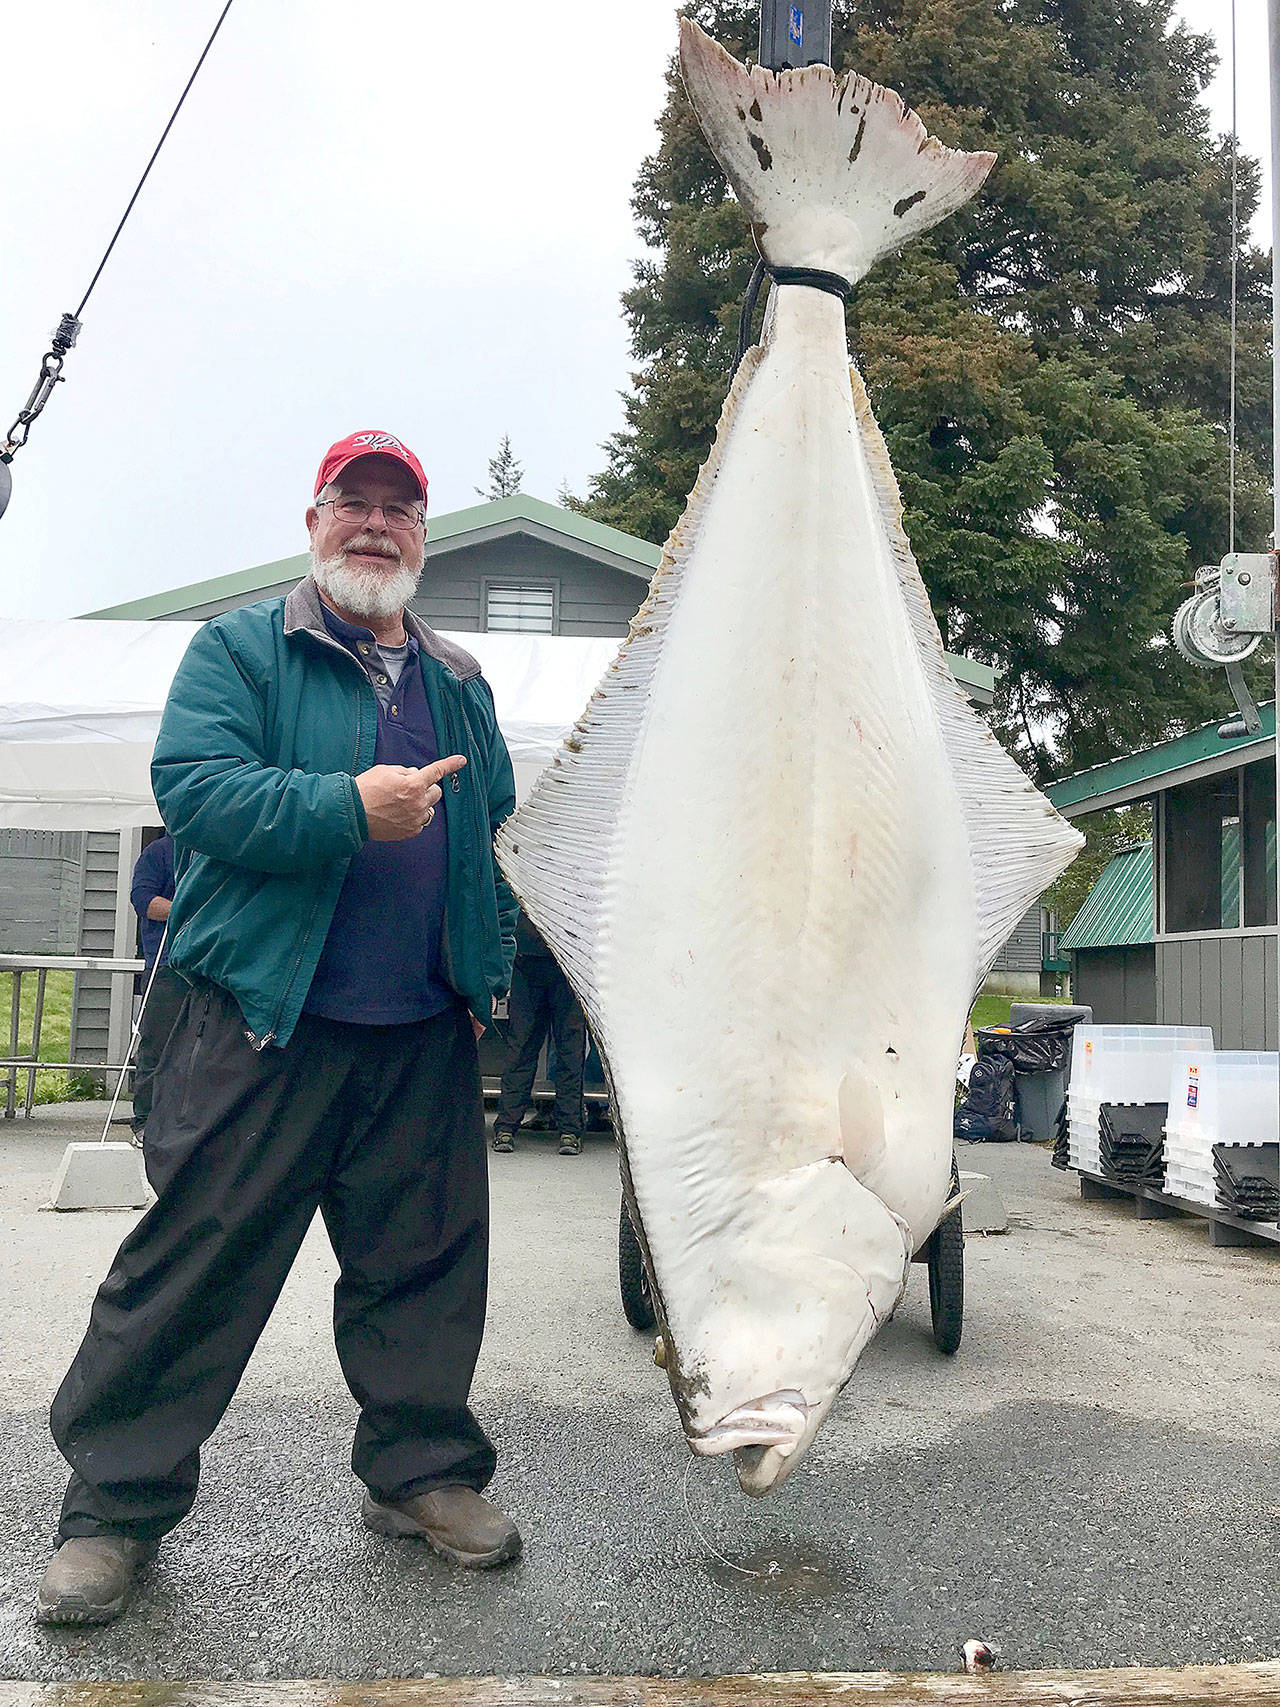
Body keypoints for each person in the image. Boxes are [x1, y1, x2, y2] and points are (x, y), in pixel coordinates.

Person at [37, 430, 520, 1628]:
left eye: (397, 510)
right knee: (197, 1269)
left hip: (417, 1030)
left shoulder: (458, 678)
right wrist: (344, 809)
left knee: (423, 1268)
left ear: (423, 536)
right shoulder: (243, 649)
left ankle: (419, 1472)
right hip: (261, 1020)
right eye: (351, 505)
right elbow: (194, 789)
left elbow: (496, 828)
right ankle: (113, 1508)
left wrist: (484, 978)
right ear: (313, 525)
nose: (374, 525)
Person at [492, 910, 587, 1155]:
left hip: (565, 962)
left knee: (565, 1051)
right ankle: (511, 1127)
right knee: (527, 1049)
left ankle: (567, 1129)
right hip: (542, 960)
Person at [127, 831, 180, 1144]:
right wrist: (185, 909)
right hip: (166, 965)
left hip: (209, 967)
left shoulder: (216, 851)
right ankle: (145, 1120)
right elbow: (144, 901)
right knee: (156, 1046)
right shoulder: (159, 852)